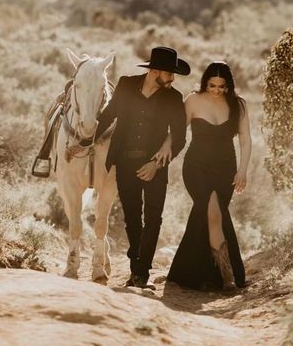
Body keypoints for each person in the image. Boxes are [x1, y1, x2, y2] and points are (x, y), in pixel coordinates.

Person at [91, 46, 190, 289]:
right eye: (169, 74)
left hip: (155, 166)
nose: (172, 79)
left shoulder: (174, 98)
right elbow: (109, 115)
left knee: (153, 218)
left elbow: (179, 137)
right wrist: (88, 139)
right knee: (132, 218)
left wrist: (156, 164)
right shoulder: (125, 85)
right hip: (124, 162)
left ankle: (141, 273)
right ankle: (136, 267)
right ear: (154, 71)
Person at [166, 61, 251, 292]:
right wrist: (165, 147)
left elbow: (245, 140)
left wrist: (242, 170)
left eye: (222, 86)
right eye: (212, 85)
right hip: (196, 167)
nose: (216, 90)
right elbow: (178, 131)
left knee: (210, 215)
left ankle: (190, 272)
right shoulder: (192, 100)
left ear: (228, 85)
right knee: (213, 212)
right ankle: (227, 275)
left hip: (226, 169)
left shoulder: (239, 105)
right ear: (205, 82)